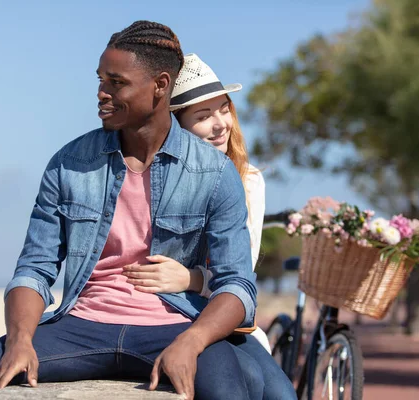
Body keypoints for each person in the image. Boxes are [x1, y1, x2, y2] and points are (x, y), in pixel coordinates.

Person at [0, 21, 275, 400]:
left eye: (116, 83)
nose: (101, 94)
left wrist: (193, 340)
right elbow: (35, 269)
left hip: (173, 324)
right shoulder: (67, 163)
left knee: (229, 392)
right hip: (82, 325)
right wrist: (21, 339)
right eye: (100, 80)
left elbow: (237, 285)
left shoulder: (214, 173)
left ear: (161, 86)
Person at [122, 54, 297, 400]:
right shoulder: (149, 176)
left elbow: (240, 270)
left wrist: (192, 278)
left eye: (224, 109)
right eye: (204, 116)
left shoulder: (249, 181)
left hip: (220, 313)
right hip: (157, 311)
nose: (221, 124)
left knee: (282, 394)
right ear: (175, 125)